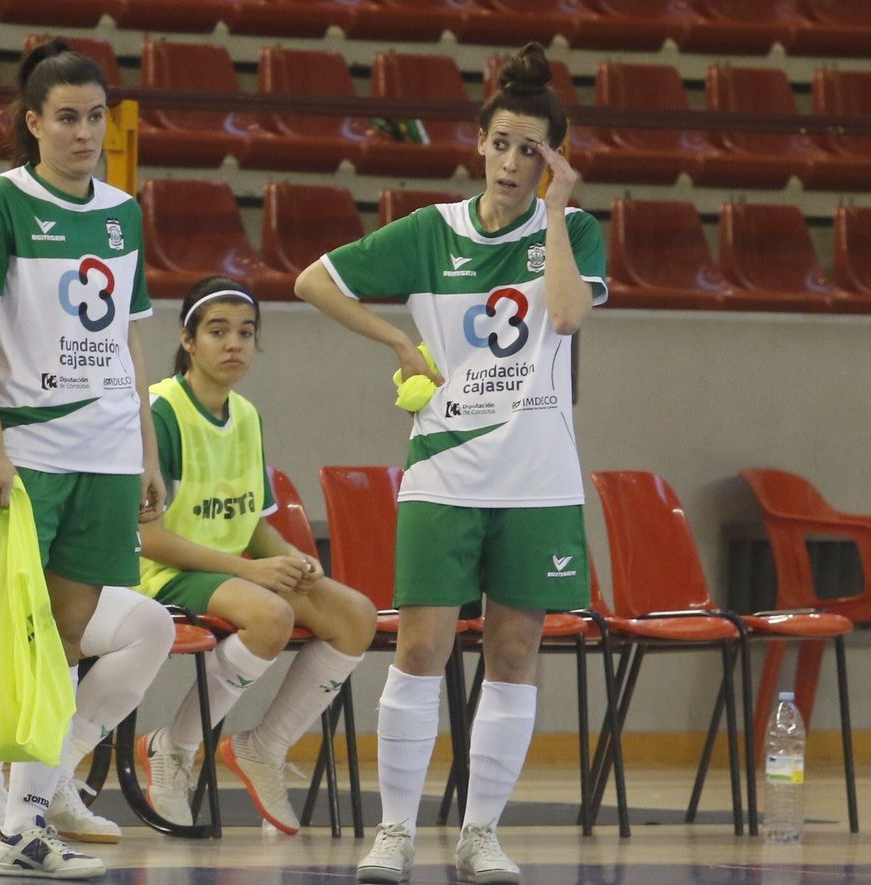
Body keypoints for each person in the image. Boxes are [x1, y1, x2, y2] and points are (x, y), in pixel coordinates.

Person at [294, 43, 605, 885]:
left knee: (513, 649)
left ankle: (480, 834)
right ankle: (394, 830)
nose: (512, 162)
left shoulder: (571, 230)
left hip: (538, 476)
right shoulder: (431, 231)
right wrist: (398, 338)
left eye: (531, 150)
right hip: (445, 469)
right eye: (501, 143)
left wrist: (557, 210)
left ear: (551, 159)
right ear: (480, 143)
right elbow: (311, 281)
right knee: (422, 645)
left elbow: (570, 317)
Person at [0, 38, 166, 879]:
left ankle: (27, 821)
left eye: (95, 118)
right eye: (67, 118)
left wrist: (147, 448)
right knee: (5, 636)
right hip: (30, 452)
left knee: (68, 640)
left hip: (108, 452)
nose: (85, 133)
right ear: (32, 122)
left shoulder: (124, 210)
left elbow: (127, 339)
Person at [133, 277, 378, 835]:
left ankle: (263, 748)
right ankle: (172, 747)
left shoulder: (245, 413)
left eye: (246, 332)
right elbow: (146, 537)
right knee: (272, 615)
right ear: (188, 340)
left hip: (226, 571)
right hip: (161, 571)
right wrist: (251, 570)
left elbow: (255, 522)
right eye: (218, 331)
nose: (234, 344)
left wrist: (293, 559)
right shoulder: (160, 410)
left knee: (354, 615)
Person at [0, 370, 172, 861]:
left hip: (25, 563)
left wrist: (140, 462)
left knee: (144, 625)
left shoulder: (93, 398)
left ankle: (49, 787)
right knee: (10, 624)